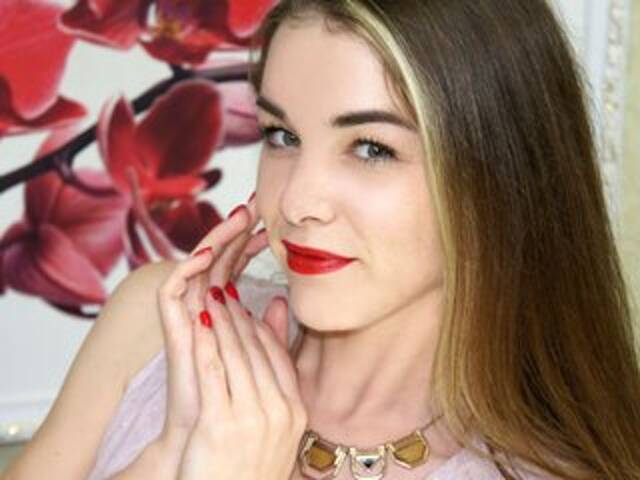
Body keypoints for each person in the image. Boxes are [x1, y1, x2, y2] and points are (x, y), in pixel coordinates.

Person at [4, 0, 640, 479]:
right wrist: (170, 453)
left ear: (501, 175)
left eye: (371, 148)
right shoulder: (155, 324)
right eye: (282, 136)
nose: (297, 202)